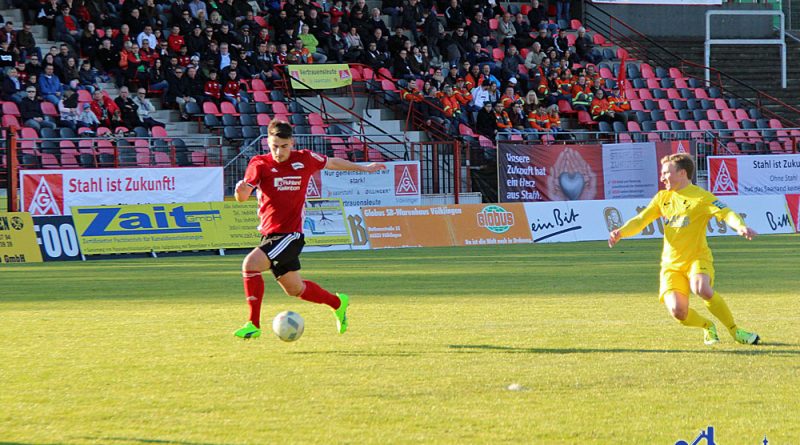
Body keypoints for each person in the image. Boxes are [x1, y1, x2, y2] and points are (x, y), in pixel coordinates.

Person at [232, 120, 387, 339]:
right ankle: (338, 302)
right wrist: (240, 191)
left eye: (284, 146)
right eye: (275, 145)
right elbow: (242, 197)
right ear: (268, 142)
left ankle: (253, 324)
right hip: (270, 235)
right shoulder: (259, 164)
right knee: (295, 289)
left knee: (250, 265)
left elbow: (333, 163)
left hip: (290, 235)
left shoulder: (304, 159)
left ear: (291, 143)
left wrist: (364, 168)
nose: (279, 151)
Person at [608, 153, 760, 346]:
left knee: (701, 288)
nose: (661, 177)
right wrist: (620, 232)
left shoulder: (702, 197)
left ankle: (735, 330)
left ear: (682, 173)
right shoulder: (662, 198)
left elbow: (726, 212)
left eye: (665, 173)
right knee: (678, 312)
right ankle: (707, 326)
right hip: (671, 265)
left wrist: (740, 226)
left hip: (697, 258)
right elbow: (641, 220)